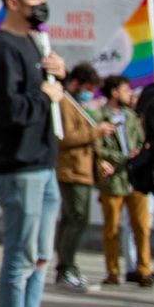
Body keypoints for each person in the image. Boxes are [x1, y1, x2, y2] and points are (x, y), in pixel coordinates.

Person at [0, 0, 74, 307]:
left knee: (39, 257)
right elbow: (7, 110)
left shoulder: (35, 43)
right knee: (20, 257)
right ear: (13, 2)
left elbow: (43, 98)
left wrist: (58, 79)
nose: (42, 5)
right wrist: (44, 94)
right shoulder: (2, 48)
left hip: (43, 163)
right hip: (18, 168)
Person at [53, 62, 112, 292]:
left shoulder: (78, 104)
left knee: (77, 218)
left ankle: (70, 267)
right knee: (76, 217)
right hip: (71, 170)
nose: (89, 92)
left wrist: (100, 159)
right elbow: (66, 137)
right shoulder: (65, 102)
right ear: (76, 83)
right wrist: (94, 132)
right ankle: (65, 268)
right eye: (87, 86)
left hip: (84, 169)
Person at [93, 74, 152, 287]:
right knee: (111, 229)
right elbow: (97, 147)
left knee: (141, 227)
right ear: (114, 92)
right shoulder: (99, 117)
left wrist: (139, 154)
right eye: (126, 90)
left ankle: (144, 270)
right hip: (113, 180)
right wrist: (121, 158)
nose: (130, 94)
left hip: (136, 179)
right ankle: (112, 271)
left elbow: (141, 141)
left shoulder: (132, 117)